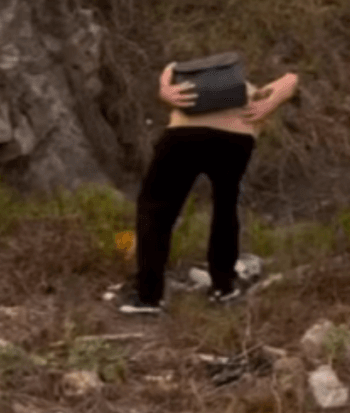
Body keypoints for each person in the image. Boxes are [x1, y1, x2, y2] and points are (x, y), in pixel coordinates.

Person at [119, 61, 299, 314]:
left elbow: (170, 69)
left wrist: (163, 89)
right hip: (236, 141)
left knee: (156, 208)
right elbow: (291, 78)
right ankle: (223, 287)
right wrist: (272, 102)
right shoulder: (253, 96)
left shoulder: (196, 84)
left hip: (184, 135)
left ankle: (149, 296)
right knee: (225, 208)